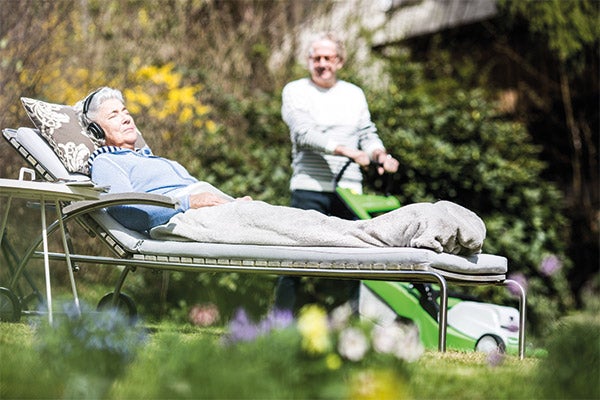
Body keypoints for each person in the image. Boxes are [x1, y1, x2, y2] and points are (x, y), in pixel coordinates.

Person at [275, 32, 400, 311]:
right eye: (316, 58)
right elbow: (304, 133)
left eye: (327, 58)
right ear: (308, 61)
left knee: (355, 260)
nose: (321, 63)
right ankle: (280, 323)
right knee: (294, 259)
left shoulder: (354, 95)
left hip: (350, 191)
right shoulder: (295, 91)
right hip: (310, 187)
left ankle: (349, 325)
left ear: (339, 61)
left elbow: (367, 134)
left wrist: (380, 154)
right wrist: (349, 151)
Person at [76, 87, 251, 233]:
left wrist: (232, 202)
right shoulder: (106, 161)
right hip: (185, 217)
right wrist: (187, 203)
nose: (126, 119)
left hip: (211, 209)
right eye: (113, 115)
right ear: (96, 131)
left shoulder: (145, 157)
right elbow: (125, 212)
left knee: (269, 216)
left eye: (126, 112)